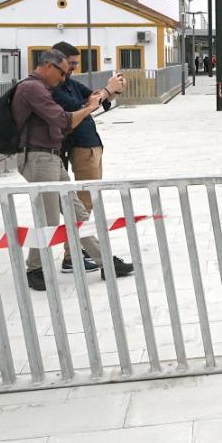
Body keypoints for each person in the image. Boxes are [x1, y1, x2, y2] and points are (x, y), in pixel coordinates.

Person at [12, 48, 134, 291]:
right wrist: (89, 107)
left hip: (50, 158)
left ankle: (106, 262)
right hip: (38, 158)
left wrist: (101, 97)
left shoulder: (43, 87)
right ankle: (34, 268)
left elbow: (88, 104)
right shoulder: (32, 88)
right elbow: (63, 120)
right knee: (48, 218)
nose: (65, 77)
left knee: (77, 214)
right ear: (48, 66)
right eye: (63, 71)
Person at [50, 41, 127, 273]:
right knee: (81, 204)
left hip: (91, 145)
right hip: (80, 147)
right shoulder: (53, 88)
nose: (73, 68)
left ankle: (76, 251)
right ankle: (70, 255)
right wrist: (105, 91)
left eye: (75, 63)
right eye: (70, 63)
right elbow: (79, 107)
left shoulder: (71, 83)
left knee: (86, 202)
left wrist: (112, 90)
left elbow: (96, 100)